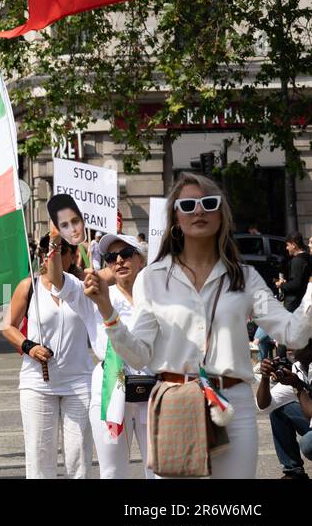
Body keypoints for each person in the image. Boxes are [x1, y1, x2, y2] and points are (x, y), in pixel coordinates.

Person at [85, 173, 312, 478]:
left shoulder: (244, 278)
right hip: (177, 400)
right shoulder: (153, 279)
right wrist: (106, 309)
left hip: (234, 406)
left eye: (209, 203)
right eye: (189, 204)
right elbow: (138, 355)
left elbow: (293, 334)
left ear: (221, 215)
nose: (199, 211)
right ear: (176, 217)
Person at [2, 236, 96, 479]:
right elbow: (7, 327)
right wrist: (29, 346)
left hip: (79, 382)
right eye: (47, 249)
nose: (50, 255)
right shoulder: (29, 286)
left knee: (79, 458)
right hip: (38, 383)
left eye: (59, 249)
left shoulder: (83, 286)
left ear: (72, 254)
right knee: (39, 456)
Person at [87, 233, 153, 479]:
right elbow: (60, 283)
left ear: (140, 260)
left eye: (126, 254)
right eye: (111, 258)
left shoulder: (157, 298)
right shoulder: (97, 296)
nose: (119, 261)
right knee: (112, 472)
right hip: (110, 386)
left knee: (158, 470)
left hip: (152, 387)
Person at [256, 341, 312, 478]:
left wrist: (297, 386)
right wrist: (265, 377)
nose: (288, 344)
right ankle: (294, 472)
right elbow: (264, 405)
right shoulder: (298, 368)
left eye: (296, 339)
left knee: (308, 443)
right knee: (279, 410)